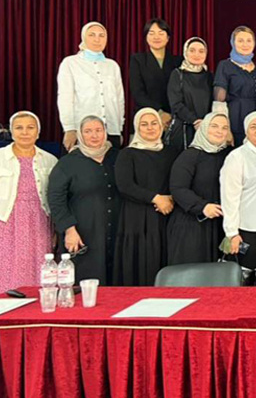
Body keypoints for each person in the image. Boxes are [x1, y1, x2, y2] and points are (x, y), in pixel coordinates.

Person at [47, 116, 120, 284]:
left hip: (117, 229)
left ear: (105, 132)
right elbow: (56, 199)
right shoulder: (67, 163)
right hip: (83, 231)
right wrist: (69, 229)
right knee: (87, 281)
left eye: (98, 130)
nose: (94, 135)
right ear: (80, 134)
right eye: (88, 131)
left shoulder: (118, 157)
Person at [113, 108, 179, 285]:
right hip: (137, 217)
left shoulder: (172, 152)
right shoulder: (127, 154)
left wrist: (171, 198)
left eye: (154, 123)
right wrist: (156, 198)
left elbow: (179, 181)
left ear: (161, 126)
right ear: (137, 127)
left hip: (166, 214)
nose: (150, 128)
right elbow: (125, 185)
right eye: (144, 124)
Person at [0, 111, 57, 290]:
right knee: (7, 264)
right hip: (6, 219)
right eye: (19, 128)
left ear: (38, 132)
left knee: (40, 263)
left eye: (30, 127)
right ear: (11, 132)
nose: (25, 132)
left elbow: (55, 195)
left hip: (39, 219)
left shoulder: (49, 160)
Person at [167, 112, 231, 266]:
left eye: (224, 128)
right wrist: (203, 207)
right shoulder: (189, 156)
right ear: (204, 128)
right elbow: (178, 188)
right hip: (191, 226)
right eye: (214, 126)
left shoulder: (229, 155)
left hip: (219, 226)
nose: (219, 131)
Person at [220, 111, 256, 284]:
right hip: (247, 230)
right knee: (247, 282)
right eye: (254, 127)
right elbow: (229, 197)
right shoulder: (237, 157)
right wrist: (232, 233)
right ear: (246, 131)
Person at [57, 22, 125, 151]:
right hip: (83, 130)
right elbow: (65, 98)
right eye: (92, 35)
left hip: (111, 130)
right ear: (83, 37)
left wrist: (119, 128)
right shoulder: (70, 63)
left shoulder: (112, 65)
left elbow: (119, 99)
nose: (97, 39)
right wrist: (69, 128)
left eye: (101, 35)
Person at [213, 26, 256, 146]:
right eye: (240, 41)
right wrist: (225, 128)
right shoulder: (225, 66)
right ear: (233, 43)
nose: (245, 44)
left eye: (249, 40)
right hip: (234, 119)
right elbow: (219, 101)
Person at [128, 18, 182, 127]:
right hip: (147, 116)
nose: (156, 37)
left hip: (173, 117)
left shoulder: (178, 61)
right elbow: (138, 92)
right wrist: (159, 112)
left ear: (168, 37)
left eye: (161, 33)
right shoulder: (138, 60)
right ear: (146, 37)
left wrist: (171, 114)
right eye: (151, 33)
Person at [167, 37, 214, 150]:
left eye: (201, 51)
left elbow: (213, 102)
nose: (197, 54)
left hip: (206, 129)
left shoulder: (209, 76)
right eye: (192, 50)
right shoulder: (177, 74)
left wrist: (206, 123)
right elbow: (176, 104)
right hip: (183, 129)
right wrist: (195, 121)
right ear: (185, 52)